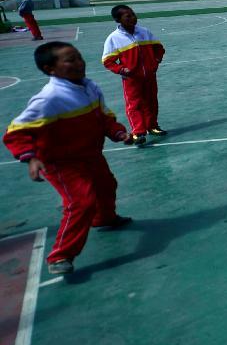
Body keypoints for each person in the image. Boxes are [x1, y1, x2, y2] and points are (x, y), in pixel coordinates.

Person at [3, 42, 133, 275]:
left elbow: (103, 117)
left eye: (79, 57)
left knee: (106, 186)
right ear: (50, 68)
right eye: (70, 60)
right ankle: (60, 255)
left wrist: (117, 132)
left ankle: (105, 219)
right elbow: (16, 133)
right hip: (62, 163)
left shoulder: (90, 87)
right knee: (80, 203)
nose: (79, 63)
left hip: (90, 155)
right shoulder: (48, 99)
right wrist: (30, 158)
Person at [102, 5, 166, 145]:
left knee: (151, 101)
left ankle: (152, 126)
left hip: (149, 76)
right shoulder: (114, 38)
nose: (133, 18)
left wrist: (155, 62)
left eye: (133, 14)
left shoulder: (144, 32)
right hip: (131, 79)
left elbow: (159, 48)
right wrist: (121, 69)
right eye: (128, 16)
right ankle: (138, 132)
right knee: (134, 104)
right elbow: (107, 61)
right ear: (118, 20)